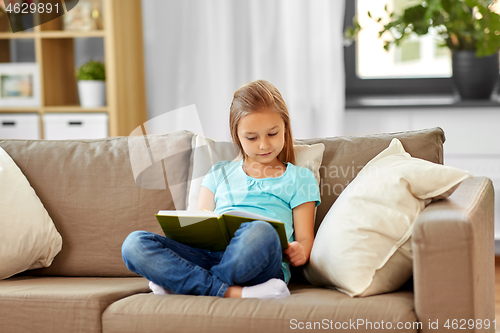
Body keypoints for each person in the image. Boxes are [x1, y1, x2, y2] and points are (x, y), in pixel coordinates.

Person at [122, 80, 320, 299]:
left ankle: (185, 283)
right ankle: (231, 292)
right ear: (237, 136)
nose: (264, 145)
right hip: (211, 257)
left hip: (260, 259)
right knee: (134, 244)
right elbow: (200, 229)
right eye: (252, 138)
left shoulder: (300, 178)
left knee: (261, 231)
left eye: (273, 134)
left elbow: (305, 239)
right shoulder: (219, 173)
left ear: (285, 128)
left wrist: (300, 251)